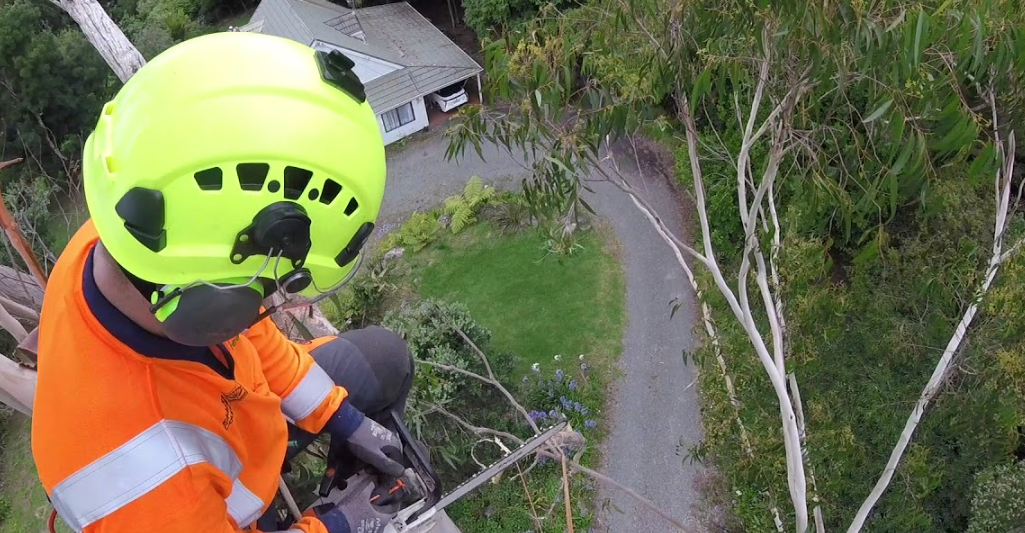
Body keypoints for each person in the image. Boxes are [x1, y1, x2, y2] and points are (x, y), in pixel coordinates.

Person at [31, 31, 414, 533]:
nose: (271, 305)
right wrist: (337, 526)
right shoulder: (143, 481)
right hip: (207, 506)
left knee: (384, 358)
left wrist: (342, 419)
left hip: (240, 426)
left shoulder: (150, 235)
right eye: (263, 294)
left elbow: (250, 335)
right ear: (203, 307)